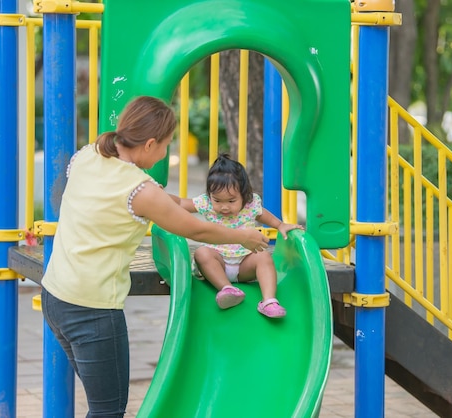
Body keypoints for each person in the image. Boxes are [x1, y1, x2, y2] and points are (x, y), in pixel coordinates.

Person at [40, 96, 269, 418]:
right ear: (149, 144)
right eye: (166, 145)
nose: (166, 152)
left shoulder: (89, 154)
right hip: (92, 308)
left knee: (102, 401)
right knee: (107, 411)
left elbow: (159, 203)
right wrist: (243, 236)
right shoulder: (141, 189)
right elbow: (197, 231)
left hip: (55, 295)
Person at [179, 153, 304, 319]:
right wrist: (158, 197)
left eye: (231, 201)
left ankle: (269, 301)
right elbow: (181, 203)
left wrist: (280, 225)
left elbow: (264, 215)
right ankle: (227, 289)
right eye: (218, 200)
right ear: (210, 196)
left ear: (244, 196)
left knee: (263, 256)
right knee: (202, 253)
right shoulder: (206, 203)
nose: (224, 207)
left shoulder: (250, 205)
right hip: (219, 264)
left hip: (245, 265)